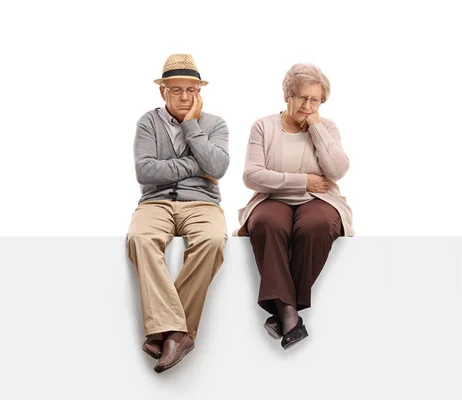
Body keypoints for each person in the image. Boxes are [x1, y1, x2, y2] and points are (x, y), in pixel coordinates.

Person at [233, 63, 354, 350]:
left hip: (319, 201)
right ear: (288, 95)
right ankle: (290, 313)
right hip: (271, 200)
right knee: (266, 224)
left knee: (318, 225)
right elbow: (252, 175)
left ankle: (282, 310)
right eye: (302, 97)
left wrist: (316, 127)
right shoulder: (264, 126)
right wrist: (301, 182)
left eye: (315, 99)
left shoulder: (328, 128)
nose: (307, 105)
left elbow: (337, 170)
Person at [126, 54, 229, 372]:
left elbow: (219, 167)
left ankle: (167, 332)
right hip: (155, 203)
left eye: (191, 90)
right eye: (177, 90)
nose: (185, 96)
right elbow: (145, 172)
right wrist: (197, 165)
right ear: (163, 92)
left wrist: (190, 126)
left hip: (202, 203)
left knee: (212, 240)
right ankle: (178, 332)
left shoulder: (215, 124)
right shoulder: (148, 122)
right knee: (140, 238)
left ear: (199, 91)